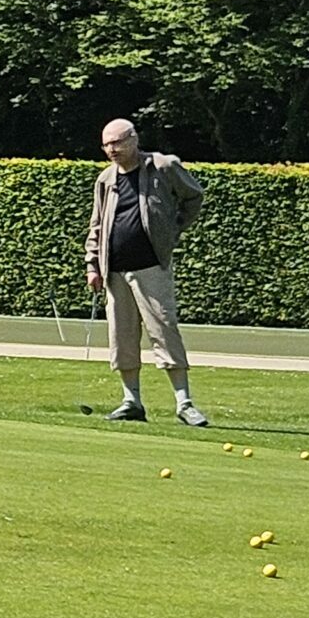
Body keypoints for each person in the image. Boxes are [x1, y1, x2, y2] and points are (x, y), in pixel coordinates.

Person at [84, 118, 210, 425]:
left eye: (117, 142)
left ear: (134, 139)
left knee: (164, 331)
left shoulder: (163, 167)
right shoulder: (105, 180)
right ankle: (132, 401)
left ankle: (184, 403)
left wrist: (173, 229)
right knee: (122, 338)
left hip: (151, 266)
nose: (111, 149)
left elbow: (194, 196)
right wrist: (92, 265)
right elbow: (97, 225)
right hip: (114, 272)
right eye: (106, 144)